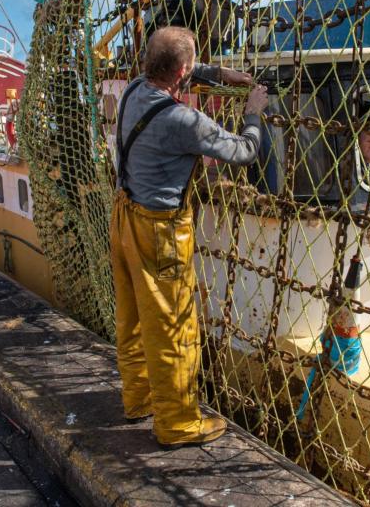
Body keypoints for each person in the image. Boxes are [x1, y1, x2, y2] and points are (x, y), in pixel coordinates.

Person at [110, 26, 268, 448]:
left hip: (123, 217)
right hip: (160, 231)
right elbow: (244, 152)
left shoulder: (132, 91)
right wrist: (253, 111)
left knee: (132, 318)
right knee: (173, 329)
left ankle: (139, 399)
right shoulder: (185, 121)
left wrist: (219, 73)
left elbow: (181, 68)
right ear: (181, 71)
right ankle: (177, 423)